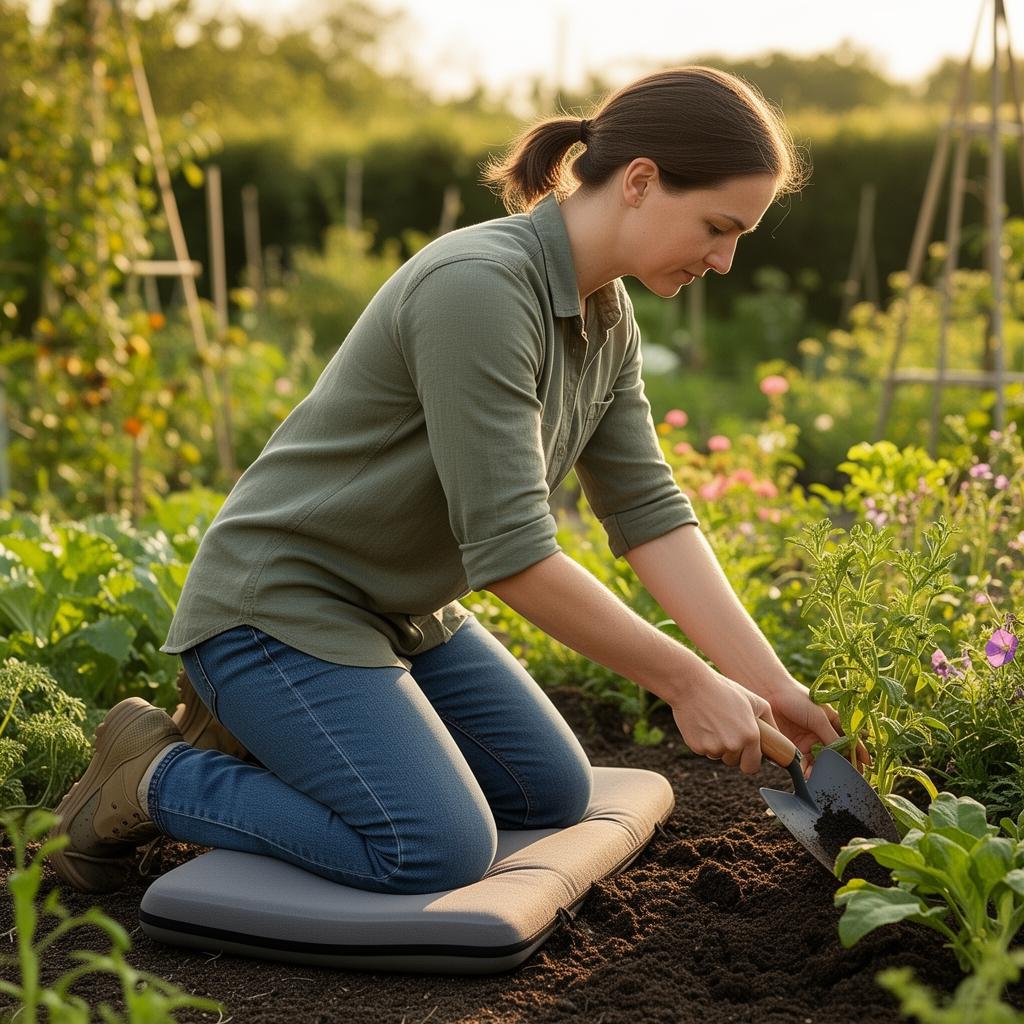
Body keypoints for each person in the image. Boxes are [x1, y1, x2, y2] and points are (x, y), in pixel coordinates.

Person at [49, 65, 866, 897]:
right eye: (718, 227)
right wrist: (689, 683)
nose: (724, 261)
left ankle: (289, 733)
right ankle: (151, 774)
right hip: (278, 607)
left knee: (547, 791)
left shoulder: (607, 315)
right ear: (641, 181)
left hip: (401, 610)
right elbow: (512, 554)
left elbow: (649, 512)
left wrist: (773, 687)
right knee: (430, 847)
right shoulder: (478, 287)